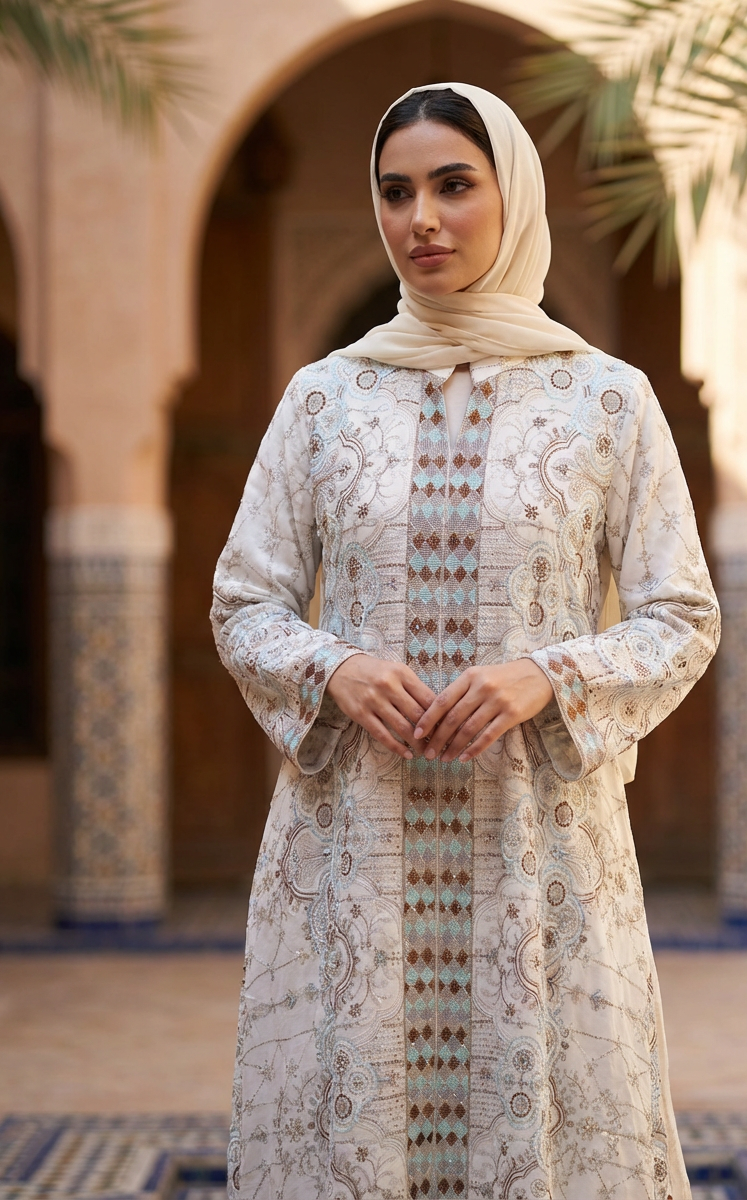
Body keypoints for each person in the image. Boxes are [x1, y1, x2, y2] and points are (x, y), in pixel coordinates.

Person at [212, 81, 720, 1200]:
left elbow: (681, 615)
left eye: (453, 186)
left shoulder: (606, 402)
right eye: (396, 193)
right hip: (353, 846)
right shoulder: (320, 400)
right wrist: (330, 665)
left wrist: (551, 675)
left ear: (512, 197)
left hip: (536, 847)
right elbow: (243, 600)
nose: (420, 220)